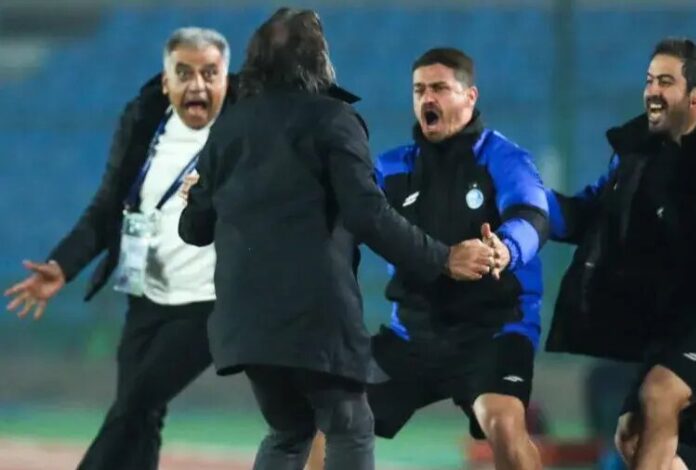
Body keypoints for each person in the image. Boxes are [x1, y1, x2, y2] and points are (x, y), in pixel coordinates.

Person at [178, 9, 495, 470]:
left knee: (288, 431)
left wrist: (197, 197)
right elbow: (368, 214)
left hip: (243, 319)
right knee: (350, 426)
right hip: (314, 315)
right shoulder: (333, 118)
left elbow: (194, 229)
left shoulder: (228, 127)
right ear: (318, 60)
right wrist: (444, 258)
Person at [4, 27, 234, 470]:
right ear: (165, 81)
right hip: (146, 297)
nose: (197, 85)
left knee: (134, 404)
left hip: (211, 305)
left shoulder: (248, 136)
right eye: (184, 73)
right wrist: (63, 266)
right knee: (144, 417)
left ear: (226, 79)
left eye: (210, 73)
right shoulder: (145, 125)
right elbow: (108, 205)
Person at [545, 38, 696, 470]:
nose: (652, 91)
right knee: (633, 435)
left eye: (665, 82)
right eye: (650, 80)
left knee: (660, 394)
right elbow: (588, 215)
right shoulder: (639, 157)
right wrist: (527, 205)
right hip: (677, 318)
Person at [362, 47, 546, 470]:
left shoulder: (503, 158)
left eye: (440, 88)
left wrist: (506, 248)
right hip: (412, 334)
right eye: (419, 90)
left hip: (493, 331)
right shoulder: (391, 169)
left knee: (503, 423)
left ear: (470, 96)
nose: (428, 98)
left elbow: (533, 215)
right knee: (331, 413)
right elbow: (351, 219)